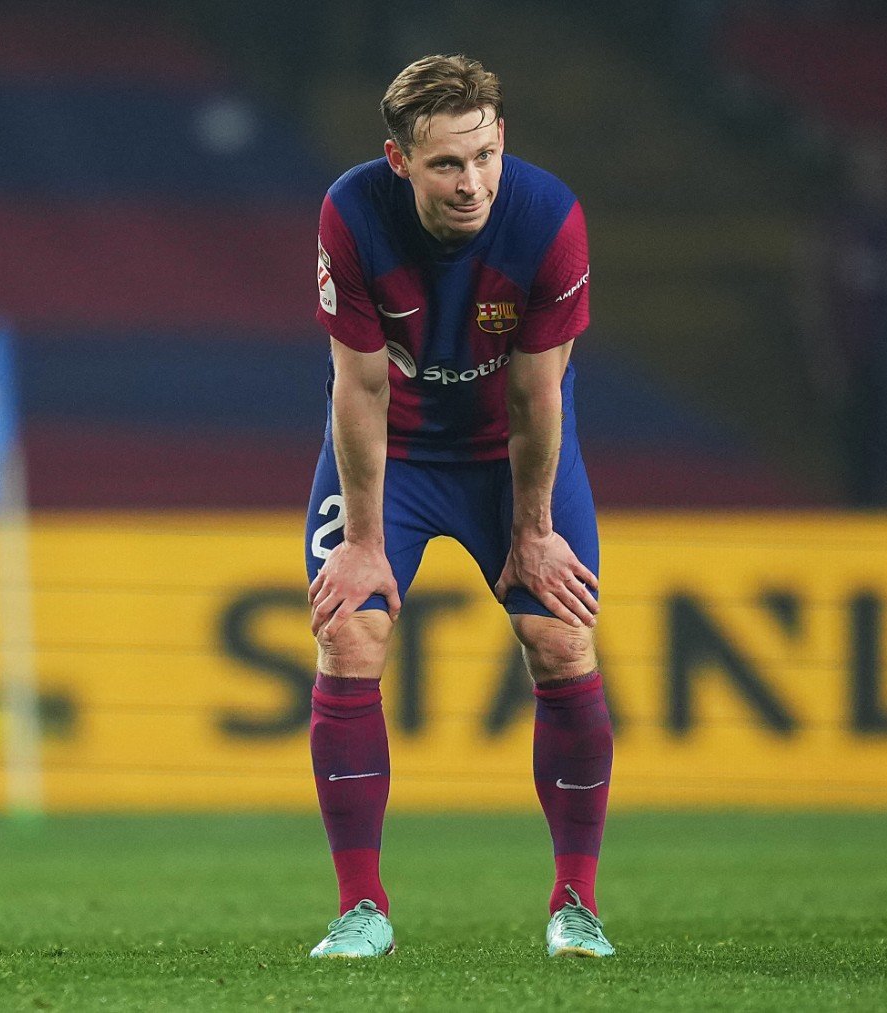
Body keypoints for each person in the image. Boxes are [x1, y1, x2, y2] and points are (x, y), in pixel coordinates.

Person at [303, 54, 613, 959]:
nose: (472, 181)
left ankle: (575, 906)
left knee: (560, 635)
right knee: (348, 629)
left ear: (502, 139)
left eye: (484, 155)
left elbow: (537, 397)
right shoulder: (351, 214)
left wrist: (534, 531)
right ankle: (362, 910)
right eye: (447, 163)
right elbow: (357, 390)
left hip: (504, 452)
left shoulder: (548, 218)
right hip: (390, 454)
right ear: (398, 159)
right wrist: (363, 543)